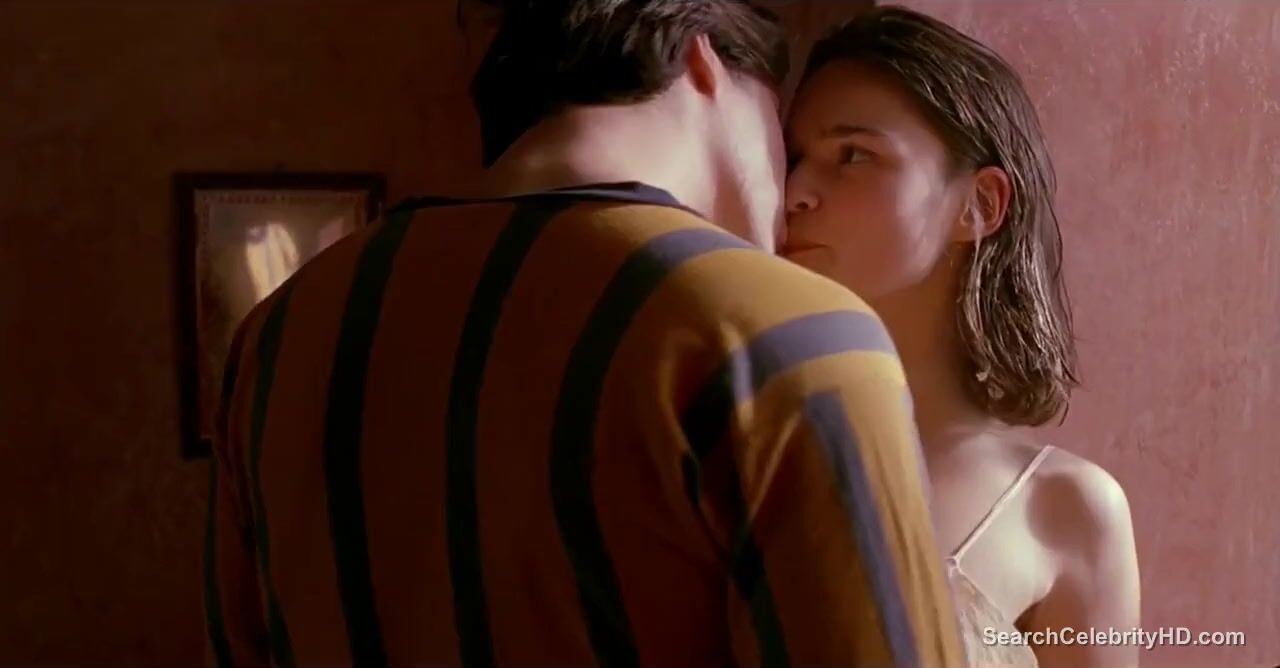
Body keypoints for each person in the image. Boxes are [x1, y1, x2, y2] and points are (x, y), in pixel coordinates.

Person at [203, 1, 966, 667]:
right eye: (781, 140)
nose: (792, 189)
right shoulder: (782, 332)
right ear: (703, 63)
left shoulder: (283, 329)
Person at [784, 6, 1141, 667]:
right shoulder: (746, 447)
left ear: (979, 205)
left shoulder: (1063, 511)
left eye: (852, 155)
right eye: (794, 159)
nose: (796, 192)